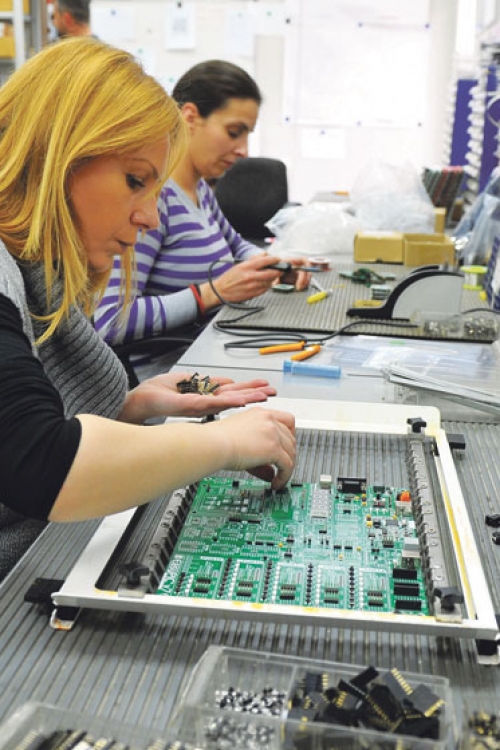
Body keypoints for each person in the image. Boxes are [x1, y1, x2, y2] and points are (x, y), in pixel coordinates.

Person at [0, 38, 296, 580]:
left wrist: (133, 408)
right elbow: (39, 466)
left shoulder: (34, 269)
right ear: (56, 156)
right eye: (135, 181)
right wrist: (223, 441)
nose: (151, 218)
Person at [94, 60, 311, 374]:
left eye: (247, 135)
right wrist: (211, 293)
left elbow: (237, 245)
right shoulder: (153, 202)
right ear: (190, 117)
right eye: (234, 132)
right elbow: (111, 320)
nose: (243, 150)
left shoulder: (200, 190)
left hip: (210, 352)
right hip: (171, 377)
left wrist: (275, 265)